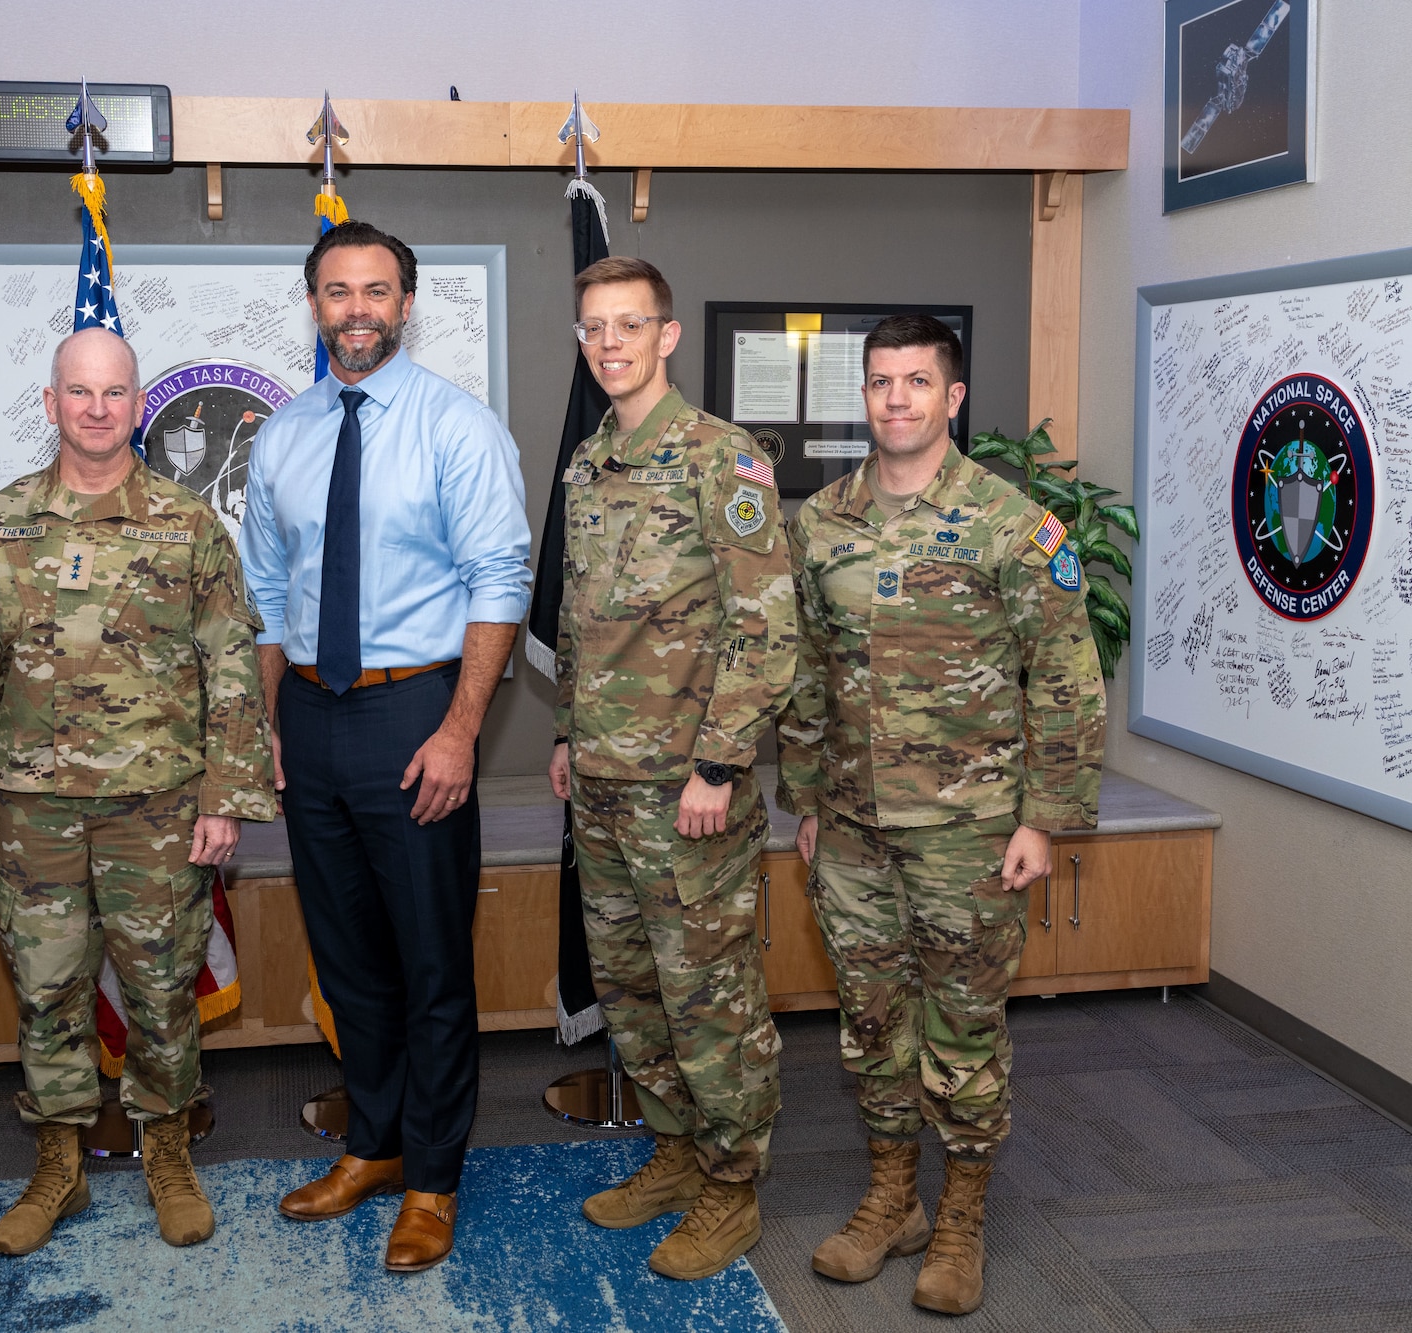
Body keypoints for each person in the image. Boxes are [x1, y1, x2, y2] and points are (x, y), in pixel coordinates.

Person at [778, 313, 1105, 1315]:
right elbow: (802, 669)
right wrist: (801, 797)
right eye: (879, 382)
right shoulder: (820, 519)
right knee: (872, 1023)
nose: (895, 400)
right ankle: (891, 1199)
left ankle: (959, 1214)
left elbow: (1063, 678)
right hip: (849, 827)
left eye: (915, 382)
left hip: (969, 830)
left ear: (951, 397)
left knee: (961, 1028)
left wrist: (1041, 817)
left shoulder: (1012, 525)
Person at [241, 220, 531, 1272]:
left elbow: (499, 579)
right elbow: (267, 592)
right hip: (312, 721)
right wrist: (275, 719)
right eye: (335, 290)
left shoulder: (456, 426)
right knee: (350, 962)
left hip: (418, 715)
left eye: (375, 290)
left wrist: (461, 728)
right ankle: (372, 1145)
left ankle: (434, 1179)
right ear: (312, 305)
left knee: (427, 963)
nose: (355, 307)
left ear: (406, 305)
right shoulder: (281, 436)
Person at [0, 327, 276, 1256]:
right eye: (79, 392)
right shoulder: (3, 521)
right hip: (34, 812)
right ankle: (57, 1165)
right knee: (47, 991)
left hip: (157, 808)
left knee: (162, 989)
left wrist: (226, 797)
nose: (98, 408)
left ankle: (167, 1154)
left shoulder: (186, 524)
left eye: (115, 392)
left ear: (139, 405)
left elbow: (229, 667)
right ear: (50, 403)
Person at [546, 257, 796, 1280]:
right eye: (593, 328)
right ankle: (677, 1152)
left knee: (708, 1000)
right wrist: (564, 733)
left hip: (685, 791)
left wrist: (719, 766)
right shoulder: (587, 462)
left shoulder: (717, 459)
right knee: (634, 990)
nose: (609, 344)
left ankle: (731, 1188)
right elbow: (578, 619)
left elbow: (765, 626)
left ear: (667, 335)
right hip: (602, 780)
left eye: (627, 325)